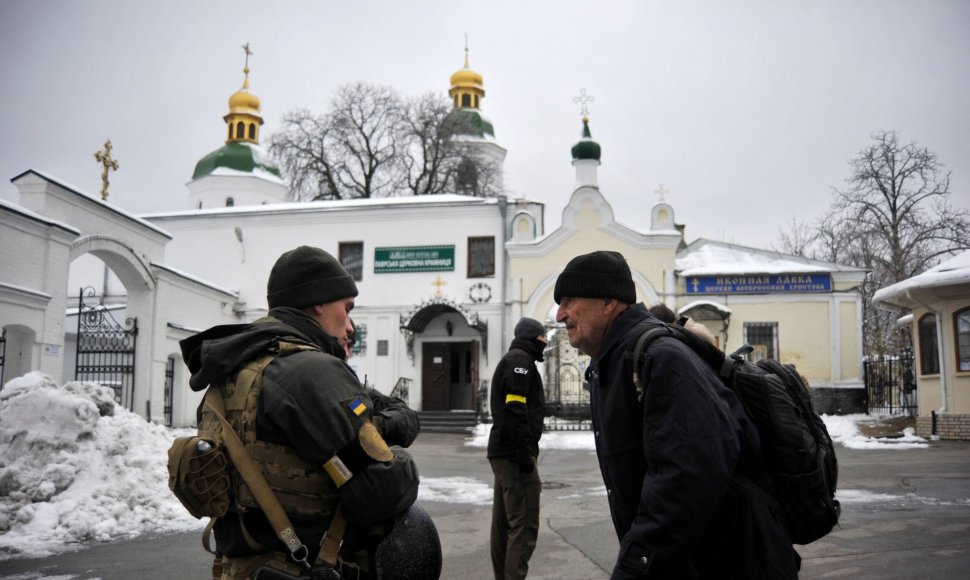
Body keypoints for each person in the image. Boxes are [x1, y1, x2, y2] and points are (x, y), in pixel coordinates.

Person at [553, 250, 798, 579]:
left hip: (733, 563)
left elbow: (687, 474)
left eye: (569, 300)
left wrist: (637, 564)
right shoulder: (613, 363)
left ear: (608, 302)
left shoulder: (661, 357)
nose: (559, 314)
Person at [180, 245, 421, 579]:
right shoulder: (312, 371)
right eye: (346, 309)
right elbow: (380, 492)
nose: (350, 326)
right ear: (318, 300)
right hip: (304, 568)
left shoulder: (232, 373)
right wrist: (402, 461)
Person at [487, 317, 547, 579]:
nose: (545, 344)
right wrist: (524, 453)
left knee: (504, 526)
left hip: (503, 452)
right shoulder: (520, 361)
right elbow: (514, 407)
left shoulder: (515, 359)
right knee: (523, 526)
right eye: (543, 339)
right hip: (514, 455)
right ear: (533, 338)